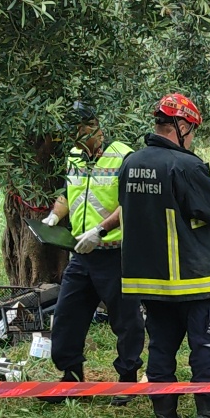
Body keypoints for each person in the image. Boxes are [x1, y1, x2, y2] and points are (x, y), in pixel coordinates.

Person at [118, 93, 210, 418]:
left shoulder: (130, 163)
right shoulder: (185, 165)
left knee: (160, 348)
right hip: (194, 278)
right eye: (193, 132)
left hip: (150, 280)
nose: (192, 139)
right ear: (183, 125)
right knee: (206, 348)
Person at [44, 101, 143, 399]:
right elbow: (67, 193)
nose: (72, 138)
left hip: (115, 253)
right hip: (81, 253)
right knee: (66, 316)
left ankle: (127, 380)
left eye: (77, 130)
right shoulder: (74, 156)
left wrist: (101, 230)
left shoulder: (123, 156)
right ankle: (72, 376)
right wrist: (54, 216)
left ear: (92, 127)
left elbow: (132, 203)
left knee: (125, 320)